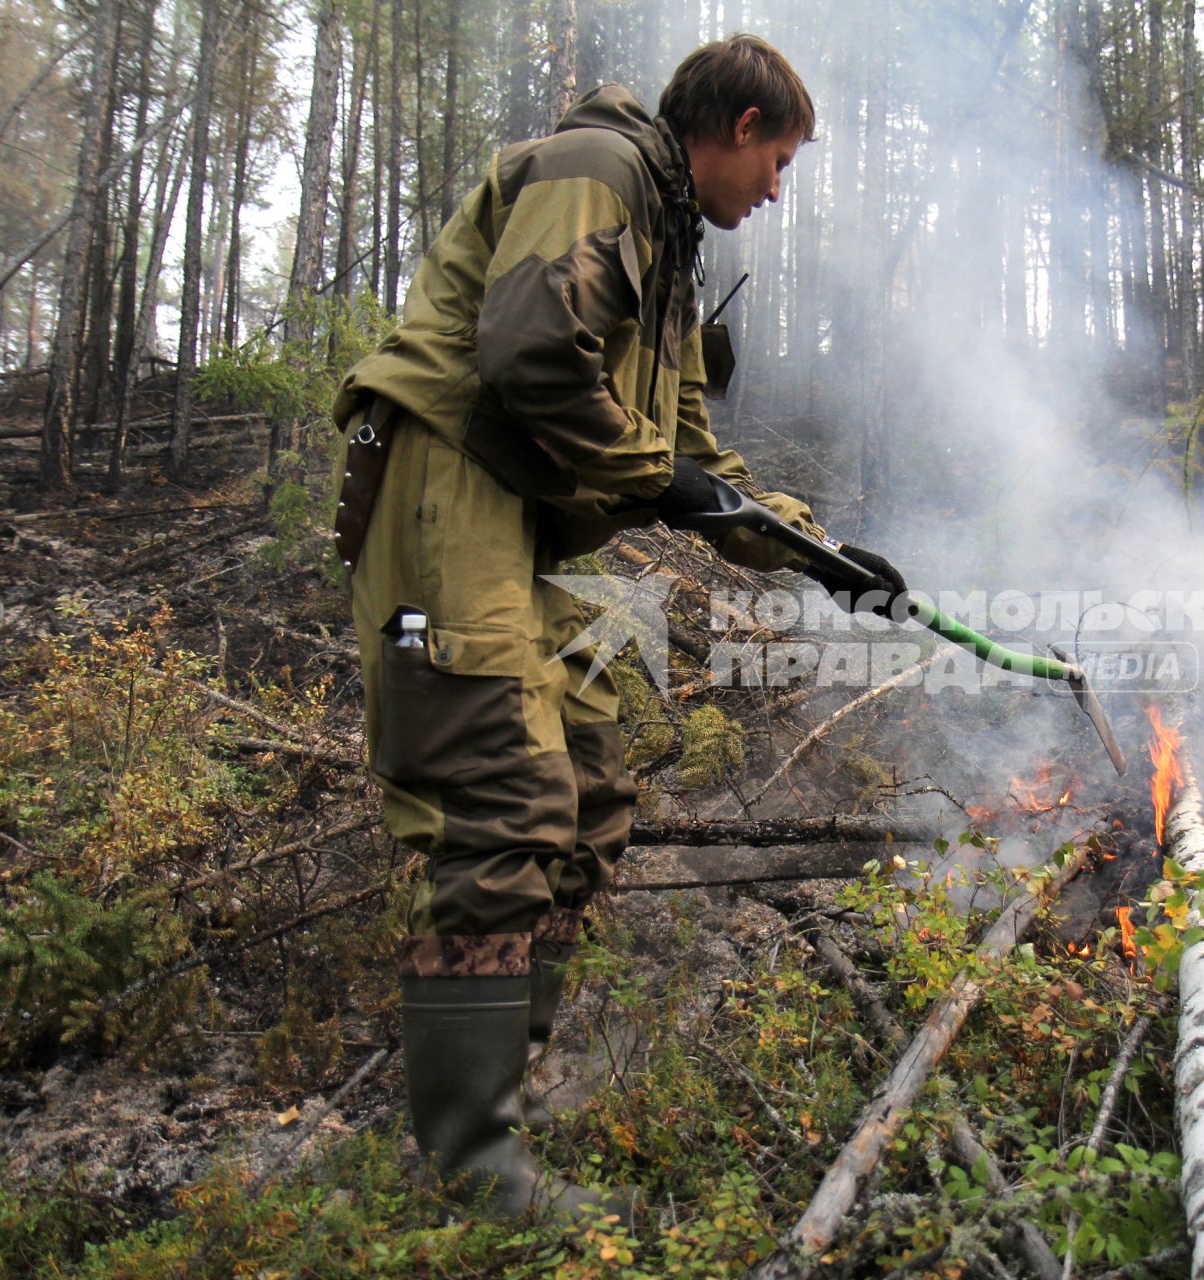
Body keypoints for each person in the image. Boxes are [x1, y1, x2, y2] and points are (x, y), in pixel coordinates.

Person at [328, 34, 905, 1226]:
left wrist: (820, 555)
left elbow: (697, 462)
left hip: (515, 527)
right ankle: (467, 1170)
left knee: (588, 789)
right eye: (781, 162)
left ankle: (498, 1109)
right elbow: (530, 354)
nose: (778, 191)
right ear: (741, 126)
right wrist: (672, 483)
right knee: (506, 791)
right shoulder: (598, 169)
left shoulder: (675, 253)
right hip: (449, 483)